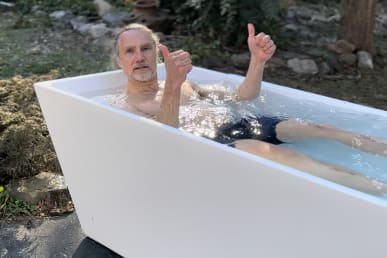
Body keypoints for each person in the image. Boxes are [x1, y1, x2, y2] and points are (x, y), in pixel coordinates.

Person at [113, 23, 387, 195]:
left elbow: (242, 97)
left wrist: (257, 62)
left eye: (146, 49)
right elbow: (166, 136)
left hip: (237, 124)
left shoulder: (185, 84)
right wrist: (173, 84)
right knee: (284, 155)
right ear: (119, 60)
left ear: (156, 53)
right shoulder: (128, 105)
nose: (139, 57)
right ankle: (380, 190)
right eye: (130, 51)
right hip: (207, 145)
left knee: (321, 128)